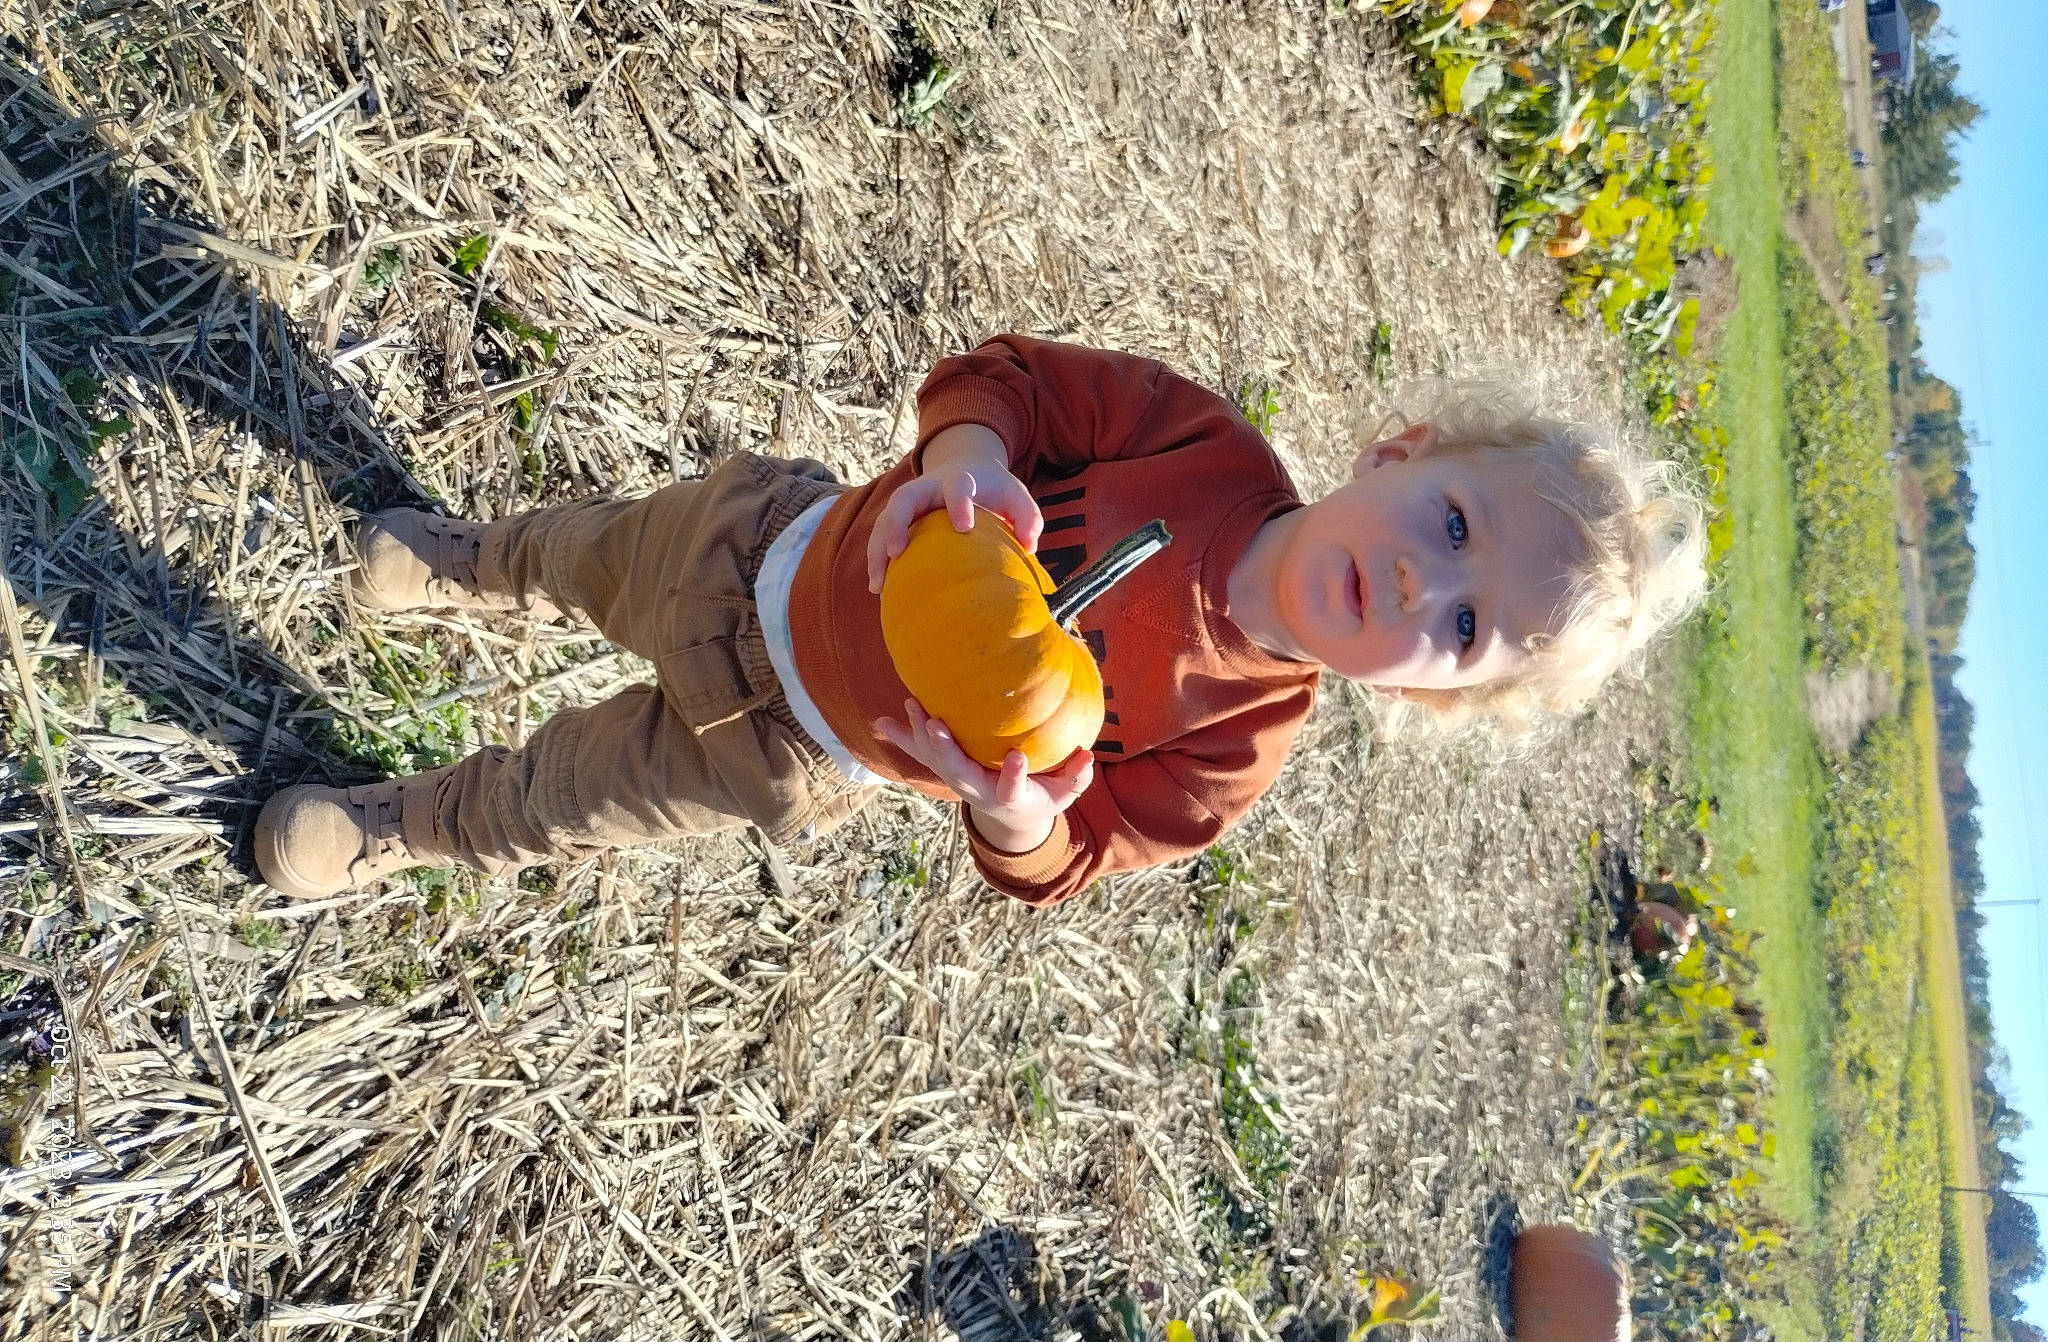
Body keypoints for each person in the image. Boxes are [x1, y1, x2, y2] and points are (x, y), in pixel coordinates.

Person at [254, 337, 1707, 906]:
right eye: (1450, 527)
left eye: (1461, 630)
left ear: (1428, 697)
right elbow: (1006, 377)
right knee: (585, 555)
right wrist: (972, 462)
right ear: (1399, 454)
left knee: (562, 798)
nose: (1418, 586)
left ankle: (405, 825)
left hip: (786, 743)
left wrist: (1014, 811)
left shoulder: (1235, 748)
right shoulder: (1198, 445)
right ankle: (466, 564)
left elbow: (1073, 858)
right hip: (764, 548)